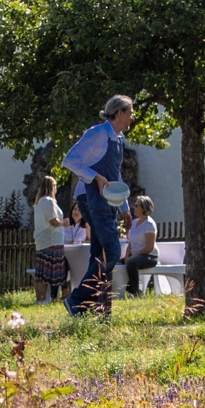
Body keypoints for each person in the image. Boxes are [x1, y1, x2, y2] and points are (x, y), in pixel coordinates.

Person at [59, 94, 135, 316]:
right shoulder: (97, 133)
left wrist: (125, 208)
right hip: (90, 198)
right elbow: (70, 160)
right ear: (119, 112)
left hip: (108, 202)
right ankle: (76, 300)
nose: (132, 117)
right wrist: (95, 177)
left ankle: (96, 311)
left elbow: (115, 175)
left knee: (99, 254)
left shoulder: (118, 139)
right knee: (111, 251)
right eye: (130, 112)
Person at [32, 173, 68, 304]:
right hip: (51, 241)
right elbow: (53, 221)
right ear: (52, 187)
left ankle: (40, 299)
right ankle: (42, 299)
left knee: (41, 272)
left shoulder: (39, 202)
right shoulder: (48, 201)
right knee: (45, 273)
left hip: (44, 240)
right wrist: (64, 222)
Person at [121, 195, 159, 294]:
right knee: (116, 263)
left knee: (132, 262)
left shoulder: (149, 224)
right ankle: (118, 291)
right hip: (135, 255)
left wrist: (134, 255)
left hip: (149, 257)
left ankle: (134, 291)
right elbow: (130, 242)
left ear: (143, 208)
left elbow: (149, 247)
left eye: (136, 205)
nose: (134, 208)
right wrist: (126, 256)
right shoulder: (134, 222)